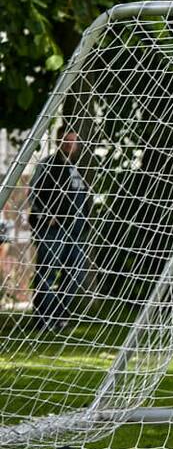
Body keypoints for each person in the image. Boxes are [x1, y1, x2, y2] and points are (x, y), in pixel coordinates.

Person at [28, 128, 90, 330]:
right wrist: (46, 215)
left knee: (75, 274)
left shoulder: (76, 168)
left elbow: (83, 198)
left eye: (74, 142)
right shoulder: (47, 165)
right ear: (59, 142)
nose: (70, 145)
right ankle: (42, 319)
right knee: (47, 272)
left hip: (76, 231)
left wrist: (85, 220)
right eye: (66, 141)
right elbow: (33, 192)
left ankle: (58, 315)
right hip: (53, 230)